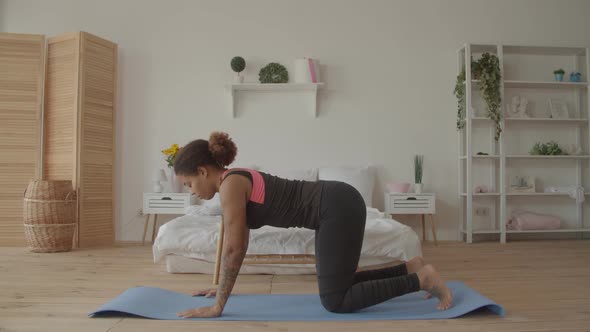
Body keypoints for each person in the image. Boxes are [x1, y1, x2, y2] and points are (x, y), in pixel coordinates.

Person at [173, 131, 453, 318]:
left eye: (189, 184)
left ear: (202, 171)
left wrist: (218, 306)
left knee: (336, 300)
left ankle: (421, 280)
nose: (191, 191)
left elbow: (234, 249)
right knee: (339, 284)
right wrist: (221, 286)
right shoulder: (233, 181)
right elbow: (238, 244)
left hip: (336, 206)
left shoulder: (231, 185)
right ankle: (412, 267)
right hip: (333, 206)